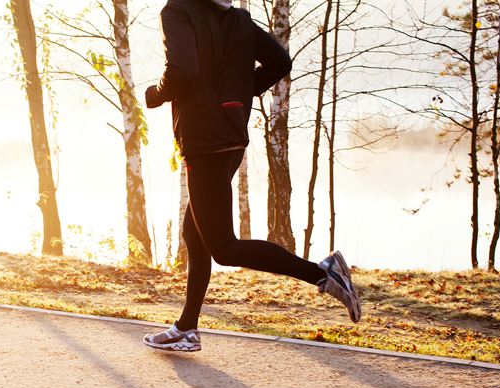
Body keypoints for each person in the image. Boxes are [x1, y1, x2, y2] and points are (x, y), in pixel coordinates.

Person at [142, 0, 361, 352]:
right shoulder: (238, 18)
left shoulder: (179, 10)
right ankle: (186, 327)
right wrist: (241, 93)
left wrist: (155, 95)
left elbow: (181, 72)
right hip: (230, 136)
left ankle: (324, 273)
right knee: (193, 233)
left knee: (224, 248)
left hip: (205, 140)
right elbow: (279, 61)